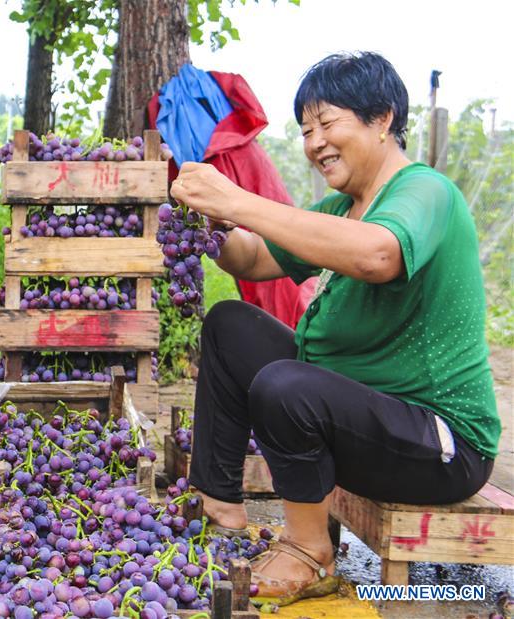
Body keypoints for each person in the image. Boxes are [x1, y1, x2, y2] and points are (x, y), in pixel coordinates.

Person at [170, 52, 499, 602]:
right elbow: (252, 261)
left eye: (328, 123)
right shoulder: (346, 206)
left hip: (439, 445)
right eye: (305, 129)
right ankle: (220, 505)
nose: (315, 141)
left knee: (286, 384)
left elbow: (377, 256)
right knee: (230, 325)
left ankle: (310, 550)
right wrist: (217, 222)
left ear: (383, 119)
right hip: (361, 420)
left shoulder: (425, 192)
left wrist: (241, 199)